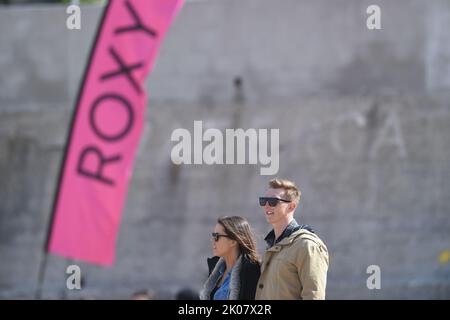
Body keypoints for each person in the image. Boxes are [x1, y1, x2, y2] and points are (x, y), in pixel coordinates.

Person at [255, 178, 329, 300]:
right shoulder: (272, 243)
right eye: (263, 201)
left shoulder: (307, 245)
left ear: (291, 206)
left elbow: (314, 296)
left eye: (273, 201)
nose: (266, 205)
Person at [199, 216, 261, 300]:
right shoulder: (215, 269)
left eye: (216, 236)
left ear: (233, 241)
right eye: (213, 235)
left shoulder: (251, 271)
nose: (212, 240)